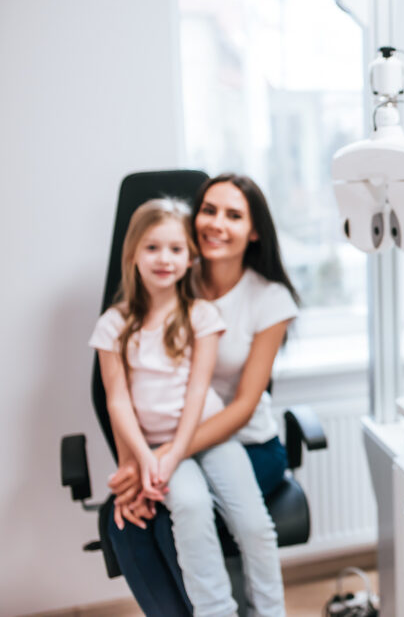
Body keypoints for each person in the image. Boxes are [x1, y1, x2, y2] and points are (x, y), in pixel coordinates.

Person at [105, 174, 299, 616]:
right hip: (173, 445)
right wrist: (136, 462)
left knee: (180, 518)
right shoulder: (171, 276)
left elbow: (244, 405)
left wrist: (160, 461)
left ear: (254, 231)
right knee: (133, 524)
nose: (216, 223)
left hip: (248, 443)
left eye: (233, 215)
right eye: (209, 210)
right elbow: (126, 385)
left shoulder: (269, 299)